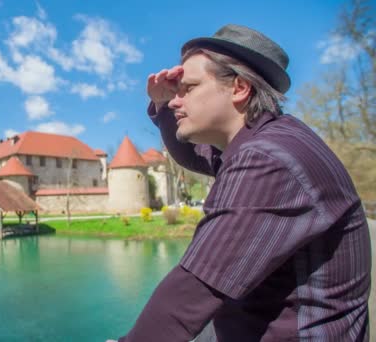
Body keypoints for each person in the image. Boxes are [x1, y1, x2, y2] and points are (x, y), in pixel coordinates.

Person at [114, 24, 371, 341]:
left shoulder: (269, 160)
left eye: (189, 89)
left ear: (239, 88)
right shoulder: (268, 139)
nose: (177, 101)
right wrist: (165, 107)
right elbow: (194, 157)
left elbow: (192, 290)